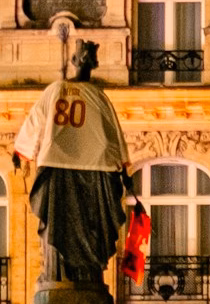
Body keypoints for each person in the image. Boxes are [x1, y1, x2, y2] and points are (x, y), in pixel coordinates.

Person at [13, 41, 128, 291]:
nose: (84, 63)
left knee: (60, 222)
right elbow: (113, 135)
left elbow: (36, 120)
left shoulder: (57, 89)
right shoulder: (97, 95)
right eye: (84, 58)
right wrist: (123, 168)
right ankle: (81, 273)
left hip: (59, 164)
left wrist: (21, 149)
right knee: (89, 225)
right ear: (89, 64)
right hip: (93, 167)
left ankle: (64, 273)